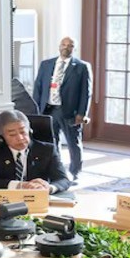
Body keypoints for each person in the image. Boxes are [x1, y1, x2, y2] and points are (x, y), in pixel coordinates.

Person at [32, 37, 92, 181]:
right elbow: (38, 87)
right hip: (48, 109)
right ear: (59, 46)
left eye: (70, 45)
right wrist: (36, 108)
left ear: (74, 48)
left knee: (73, 143)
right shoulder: (46, 64)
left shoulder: (82, 67)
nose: (66, 47)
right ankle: (57, 171)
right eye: (64, 44)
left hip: (69, 111)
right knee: (52, 142)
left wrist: (82, 113)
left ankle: (75, 172)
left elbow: (86, 92)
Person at [0, 109, 70, 194]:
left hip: (39, 199)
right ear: (2, 136)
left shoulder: (47, 150)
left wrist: (48, 188)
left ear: (29, 130)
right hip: (8, 200)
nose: (20, 138)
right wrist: (21, 185)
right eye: (12, 134)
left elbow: (63, 180)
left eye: (23, 132)